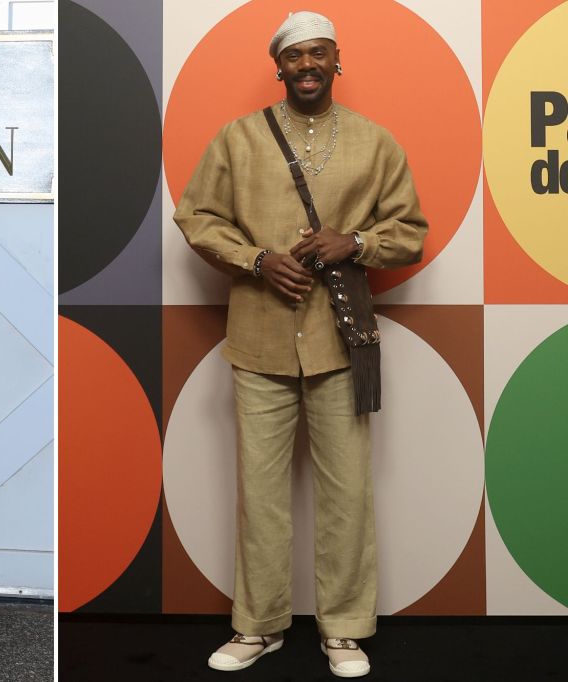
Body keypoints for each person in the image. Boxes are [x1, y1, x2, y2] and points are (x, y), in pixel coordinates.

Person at [174, 10, 427, 679]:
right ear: (279, 65)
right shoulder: (238, 137)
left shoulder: (375, 143)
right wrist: (255, 260)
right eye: (295, 56)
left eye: (319, 54)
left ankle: (344, 630)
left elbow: (412, 229)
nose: (307, 65)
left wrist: (358, 242)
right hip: (257, 339)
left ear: (336, 59)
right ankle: (258, 628)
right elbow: (195, 214)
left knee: (347, 491)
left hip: (340, 342)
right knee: (259, 492)